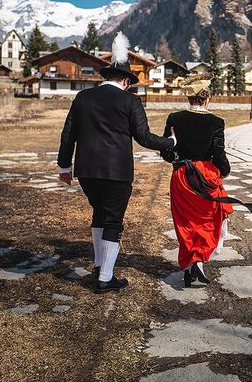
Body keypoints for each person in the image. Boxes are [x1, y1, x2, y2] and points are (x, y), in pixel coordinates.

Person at [58, 32, 175, 294]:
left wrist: (64, 167)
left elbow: (68, 134)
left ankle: (100, 266)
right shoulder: (130, 101)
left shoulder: (83, 98)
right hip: (117, 173)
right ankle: (105, 278)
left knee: (99, 214)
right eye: (129, 83)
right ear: (125, 81)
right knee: (113, 221)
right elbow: (144, 138)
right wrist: (171, 143)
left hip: (86, 171)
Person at [160, 75, 252, 288]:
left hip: (182, 175)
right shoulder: (216, 122)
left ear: (189, 98)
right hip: (206, 176)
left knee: (185, 222)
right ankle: (198, 263)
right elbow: (219, 155)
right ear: (207, 98)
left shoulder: (174, 118)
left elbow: (166, 151)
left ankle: (190, 265)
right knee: (206, 221)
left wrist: (175, 158)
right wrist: (225, 171)